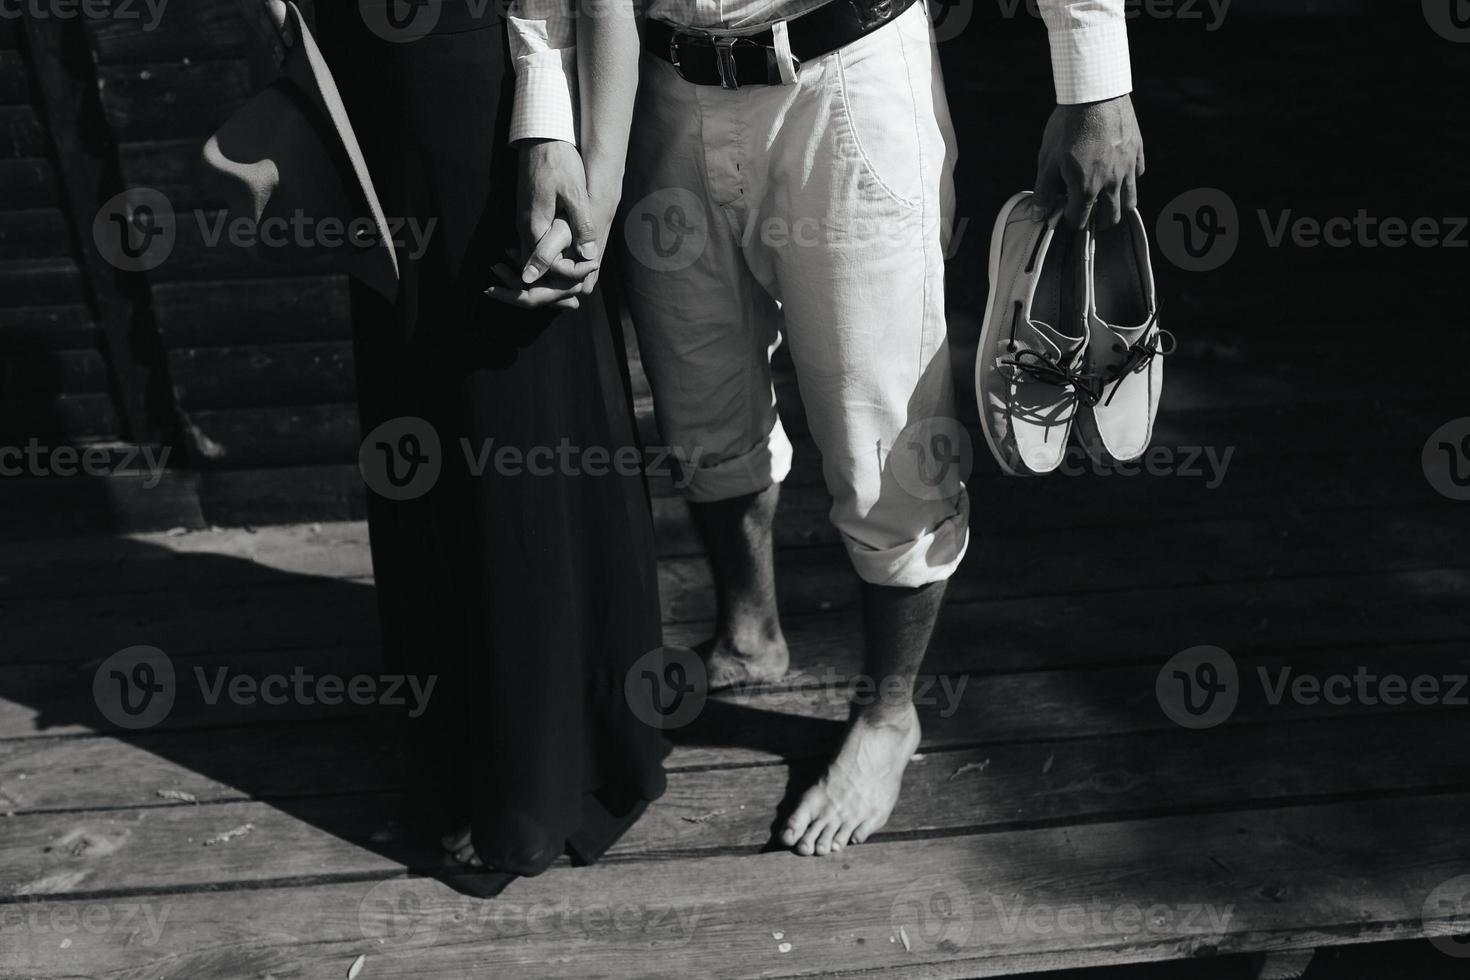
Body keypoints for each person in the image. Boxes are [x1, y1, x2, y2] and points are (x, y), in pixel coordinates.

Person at [509, 0, 1144, 857]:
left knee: (888, 439)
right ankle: (749, 633)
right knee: (701, 404)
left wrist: (1095, 85)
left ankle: (888, 714)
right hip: (654, 83)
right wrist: (546, 109)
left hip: (845, 76)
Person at [241, 0, 667, 890]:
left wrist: (580, 156)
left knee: (507, 425)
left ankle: (538, 781)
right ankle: (470, 754)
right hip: (366, 81)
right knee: (421, 415)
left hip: (481, 89)